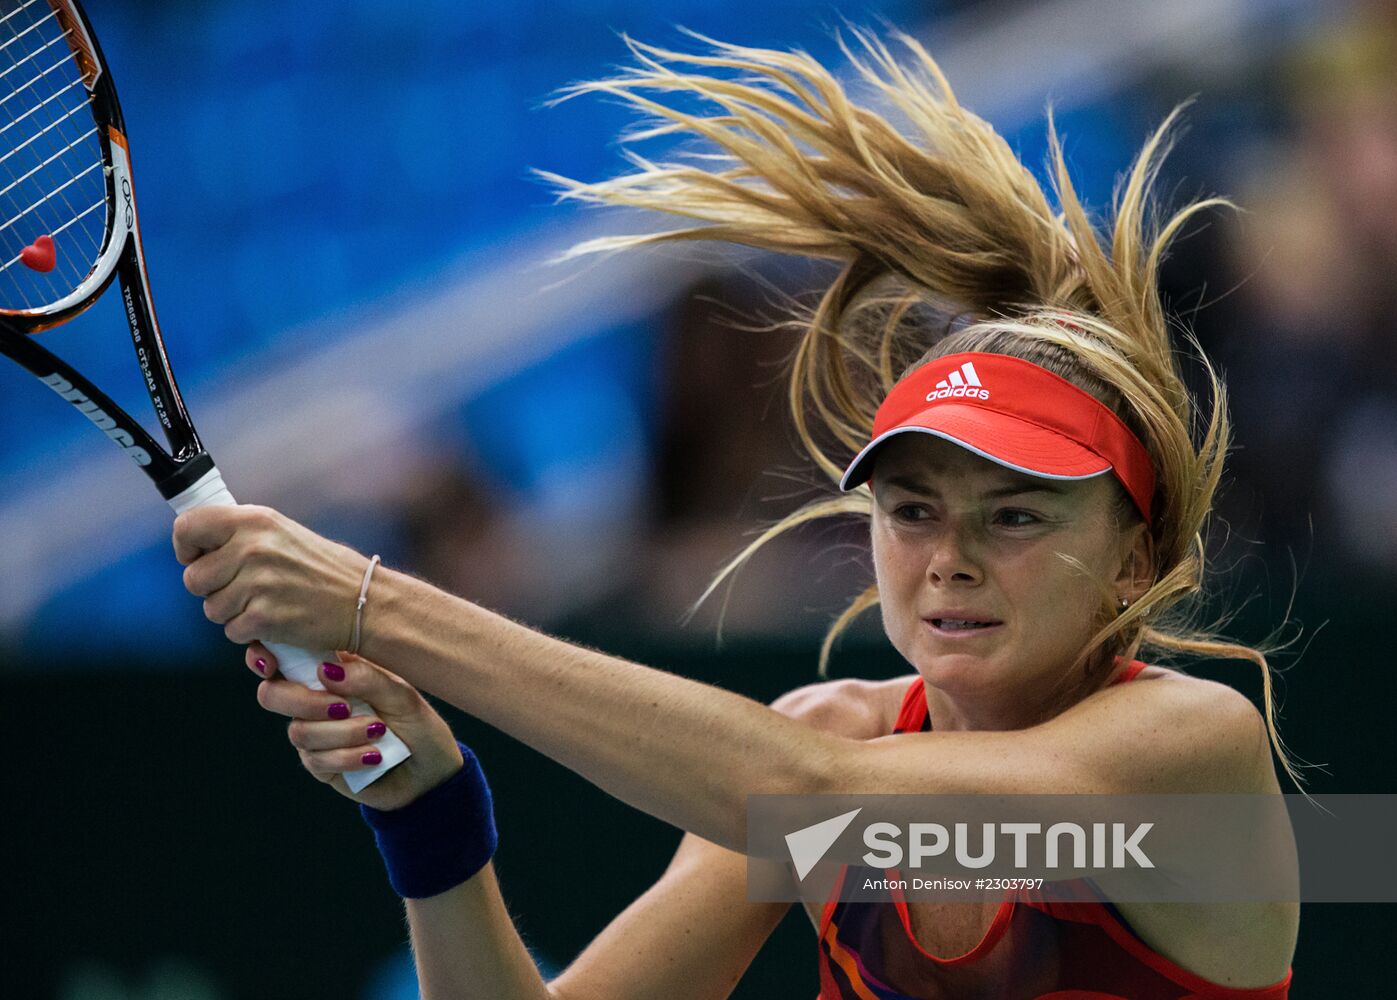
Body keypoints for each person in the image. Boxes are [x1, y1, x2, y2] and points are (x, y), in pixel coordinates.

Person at [172, 30, 1301, 999]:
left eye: (1013, 518)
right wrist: (429, 816)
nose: (947, 560)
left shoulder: (1187, 751)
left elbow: (826, 803)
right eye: (911, 510)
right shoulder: (829, 735)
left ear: (1132, 556)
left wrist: (375, 606)